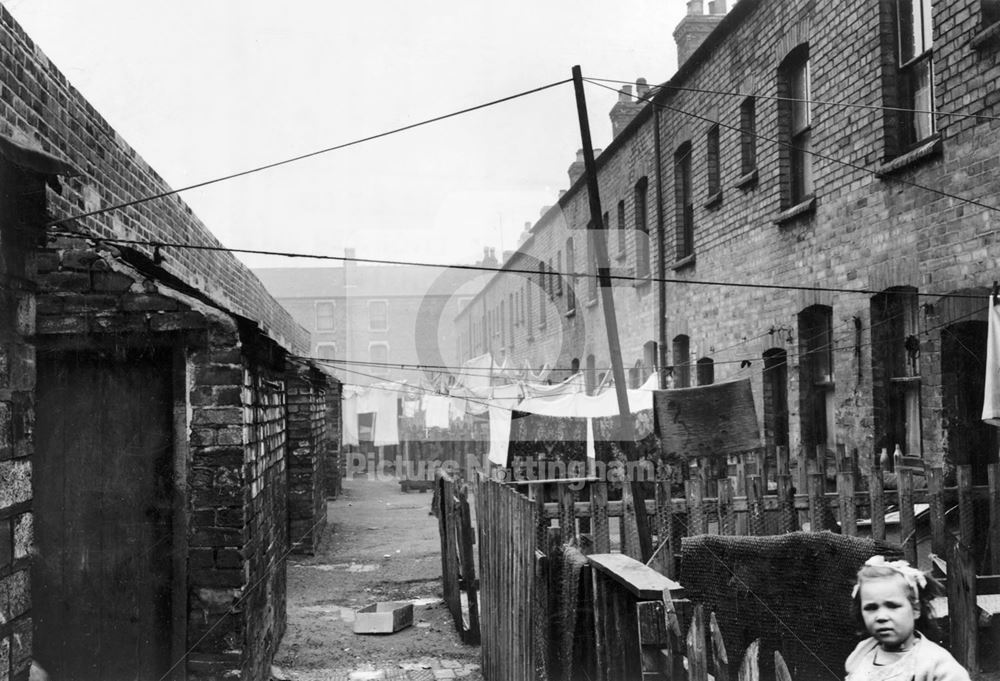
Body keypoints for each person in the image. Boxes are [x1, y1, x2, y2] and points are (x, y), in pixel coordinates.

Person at [846, 555, 970, 681]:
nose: (881, 617)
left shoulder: (935, 664)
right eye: (871, 608)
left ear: (915, 609)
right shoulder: (862, 653)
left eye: (892, 606)